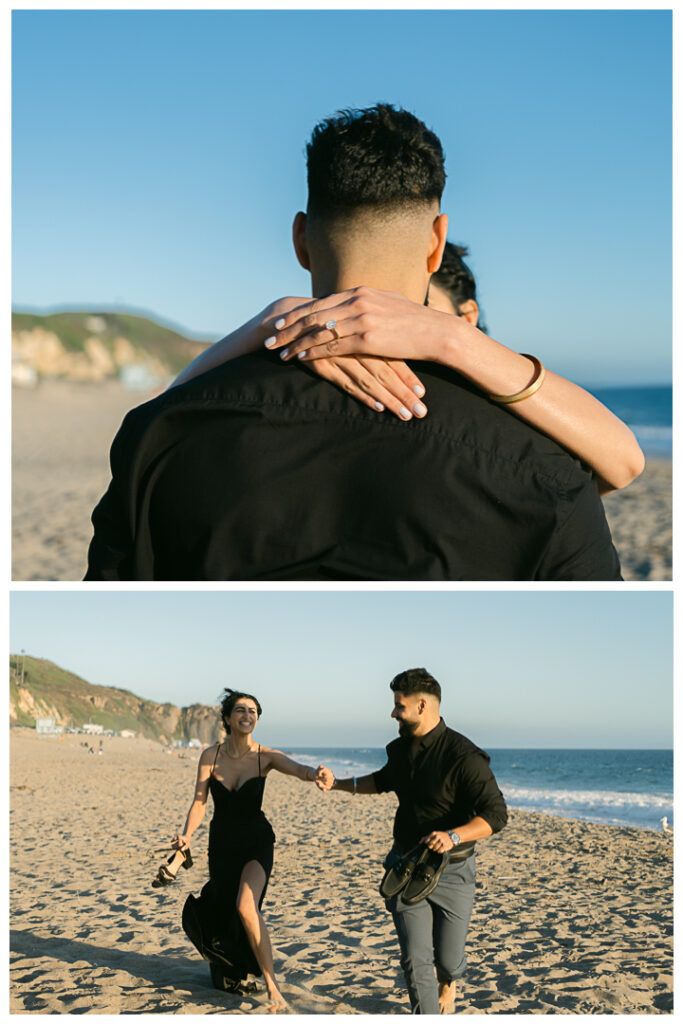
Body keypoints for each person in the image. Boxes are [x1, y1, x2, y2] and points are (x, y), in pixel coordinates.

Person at [85, 103, 623, 580]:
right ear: (437, 245)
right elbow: (619, 469)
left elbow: (153, 430)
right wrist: (455, 341)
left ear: (301, 239)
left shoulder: (159, 438)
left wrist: (265, 327)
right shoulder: (544, 469)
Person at [317, 668, 507, 1015]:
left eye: (398, 706)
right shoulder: (401, 750)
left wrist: (453, 836)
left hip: (454, 870)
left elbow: (496, 815)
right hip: (405, 866)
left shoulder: (464, 757)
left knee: (448, 959)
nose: (393, 713)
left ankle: (449, 980)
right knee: (416, 959)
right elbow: (382, 781)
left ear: (422, 706)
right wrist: (338, 784)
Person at [153, 688, 328, 1012]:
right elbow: (199, 801)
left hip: (256, 841)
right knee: (226, 910)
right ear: (227, 718)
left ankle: (273, 987)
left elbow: (298, 769)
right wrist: (187, 834)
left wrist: (316, 774)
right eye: (241, 711)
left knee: (247, 906)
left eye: (253, 712)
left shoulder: (265, 756)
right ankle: (233, 968)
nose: (248, 716)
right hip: (221, 846)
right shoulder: (211, 756)